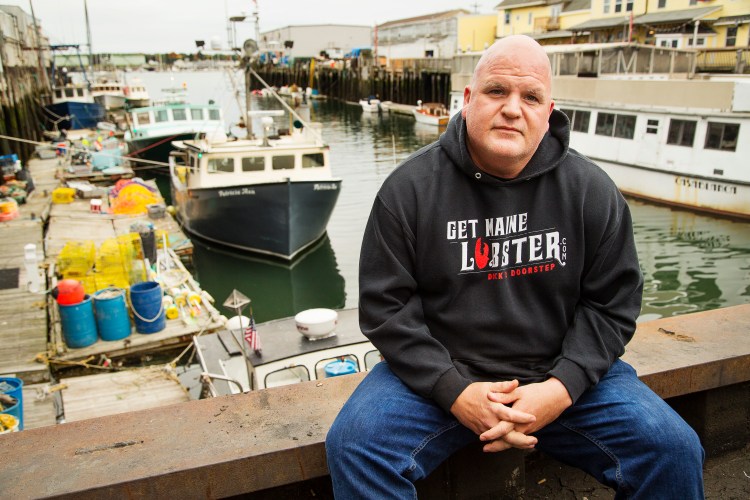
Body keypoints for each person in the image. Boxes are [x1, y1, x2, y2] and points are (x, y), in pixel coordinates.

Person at [325, 35, 704, 498]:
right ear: (467, 100)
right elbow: (386, 308)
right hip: (440, 379)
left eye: (530, 97)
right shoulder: (409, 190)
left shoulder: (592, 191)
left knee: (673, 449)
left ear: (549, 113)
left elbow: (613, 305)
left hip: (559, 374)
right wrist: (455, 392)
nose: (512, 108)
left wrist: (560, 390)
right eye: (497, 91)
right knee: (356, 447)